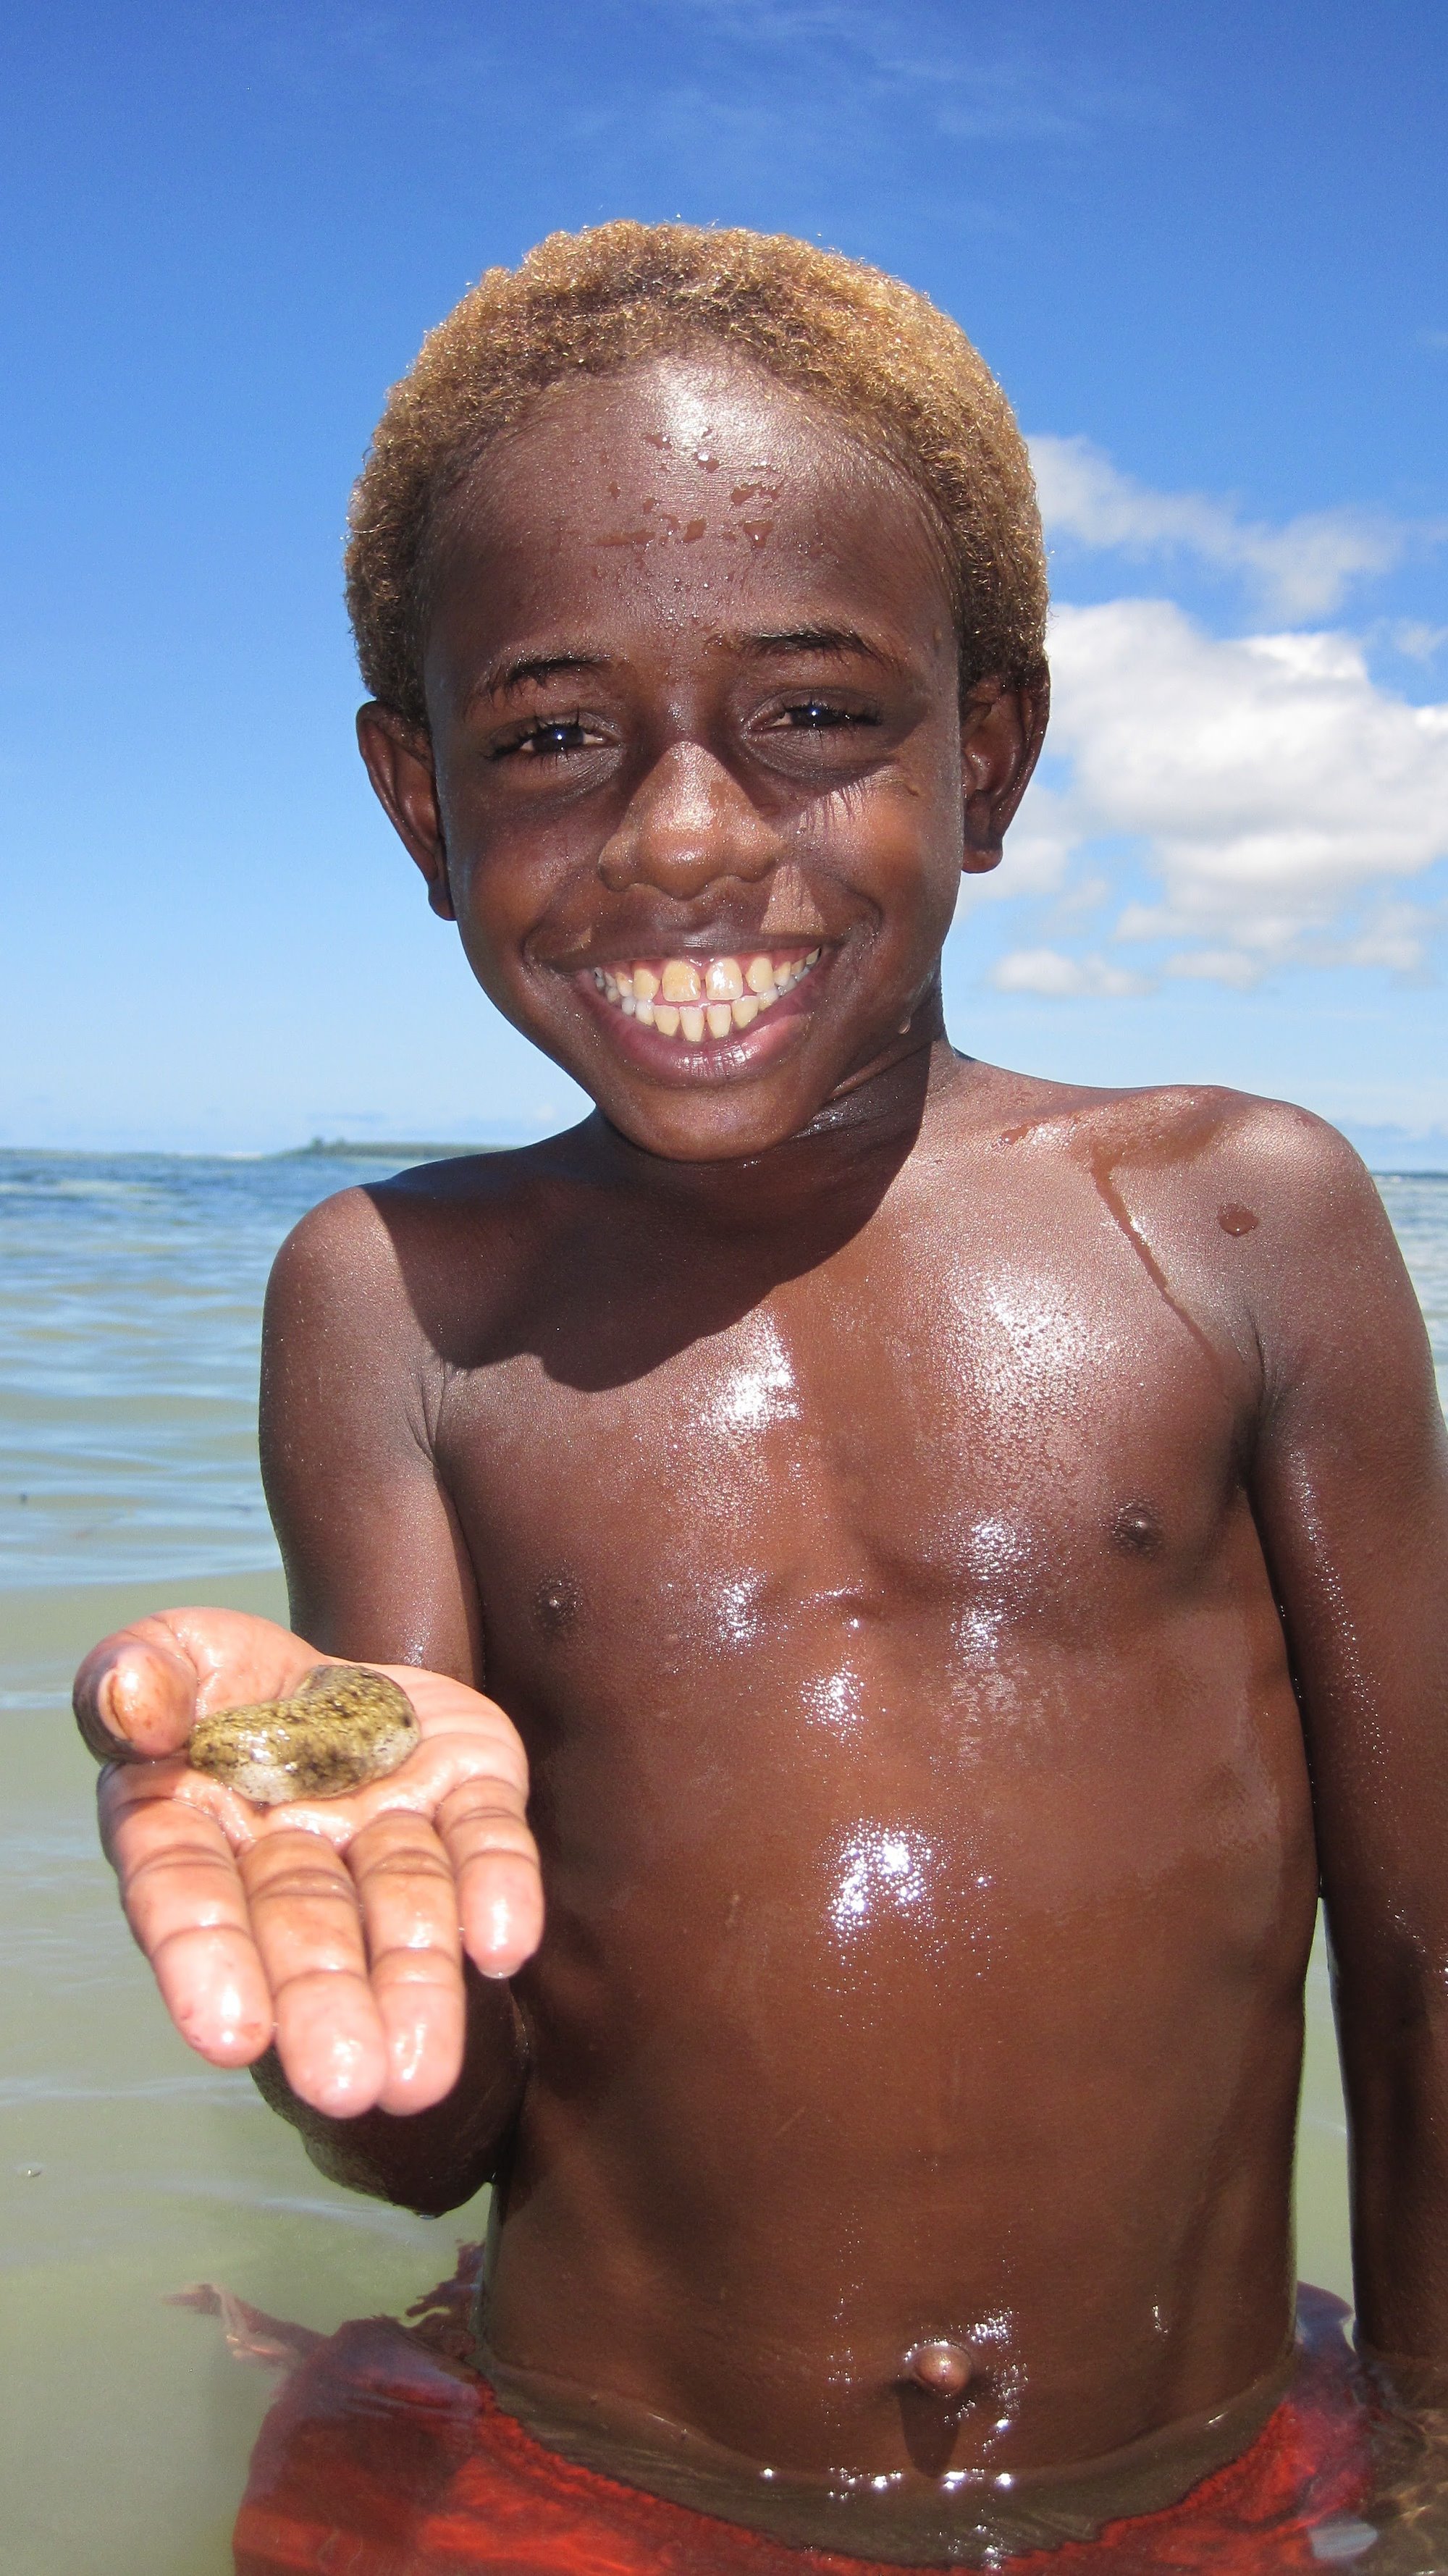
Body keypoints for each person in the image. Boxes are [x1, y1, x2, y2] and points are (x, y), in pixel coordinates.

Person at [73, 223, 1448, 2568]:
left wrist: (1419, 2445)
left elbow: (1424, 1945)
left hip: (1210, 2469)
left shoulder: (1239, 1219)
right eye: (551, 737)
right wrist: (323, 1936)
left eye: (813, 714)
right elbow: (426, 2121)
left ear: (989, 752)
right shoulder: (397, 1295)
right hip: (582, 2484)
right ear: (420, 805)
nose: (687, 834)